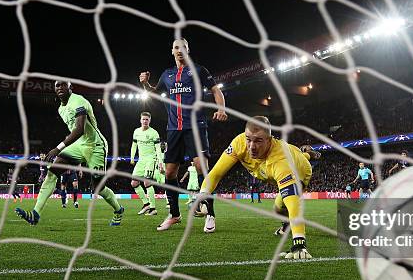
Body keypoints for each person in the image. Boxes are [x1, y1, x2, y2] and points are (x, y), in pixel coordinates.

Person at [200, 116, 320, 259]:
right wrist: (202, 195)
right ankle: (308, 153)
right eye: (248, 139)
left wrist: (299, 242)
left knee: (279, 208)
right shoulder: (239, 143)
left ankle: (308, 155)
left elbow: (293, 201)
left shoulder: (280, 160)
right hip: (292, 155)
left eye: (258, 140)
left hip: (300, 171)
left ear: (269, 140)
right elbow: (216, 173)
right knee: (280, 208)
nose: (251, 146)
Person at [139, 38, 228, 232]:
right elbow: (155, 93)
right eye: (177, 47)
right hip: (173, 130)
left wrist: (221, 108)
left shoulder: (199, 70)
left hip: (196, 126)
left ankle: (210, 214)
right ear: (172, 51)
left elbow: (215, 90)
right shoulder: (167, 74)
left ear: (188, 50)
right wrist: (146, 84)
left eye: (184, 48)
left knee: (202, 168)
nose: (180, 51)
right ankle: (174, 214)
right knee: (170, 173)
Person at [16, 81, 124, 226]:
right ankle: (35, 214)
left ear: (70, 87)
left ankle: (118, 210)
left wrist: (58, 148)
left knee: (98, 188)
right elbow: (74, 131)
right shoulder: (61, 109)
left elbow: (80, 129)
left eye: (63, 85)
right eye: (57, 86)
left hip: (95, 146)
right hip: (78, 145)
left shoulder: (78, 101)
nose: (60, 88)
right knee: (52, 172)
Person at [130, 112, 164, 216]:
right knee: (134, 183)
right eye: (143, 119)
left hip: (151, 159)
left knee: (147, 182)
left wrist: (160, 161)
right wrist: (132, 157)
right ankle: (146, 204)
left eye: (147, 120)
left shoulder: (154, 133)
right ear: (140, 120)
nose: (145, 121)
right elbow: (134, 145)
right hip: (141, 160)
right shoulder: (136, 132)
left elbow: (158, 149)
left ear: (149, 121)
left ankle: (153, 209)